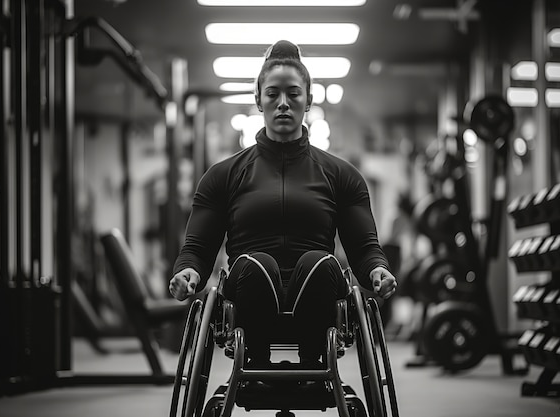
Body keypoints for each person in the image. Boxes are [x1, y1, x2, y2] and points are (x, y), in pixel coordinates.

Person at [169, 40, 397, 369]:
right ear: (258, 100)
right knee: (255, 265)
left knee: (320, 263)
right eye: (273, 94)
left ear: (309, 99)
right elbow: (197, 249)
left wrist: (378, 269)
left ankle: (312, 360)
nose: (283, 104)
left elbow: (364, 247)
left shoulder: (341, 175)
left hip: (317, 287)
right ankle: (256, 360)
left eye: (293, 93)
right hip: (248, 289)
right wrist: (187, 271)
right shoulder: (222, 176)